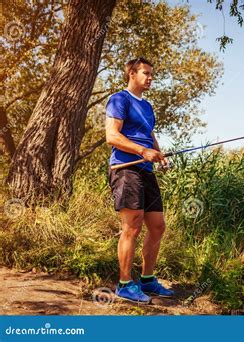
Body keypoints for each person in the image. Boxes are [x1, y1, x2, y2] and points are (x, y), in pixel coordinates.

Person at [105, 57, 174, 303]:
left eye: (152, 74)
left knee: (157, 225)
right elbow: (112, 136)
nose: (150, 77)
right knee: (132, 226)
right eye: (146, 73)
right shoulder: (119, 99)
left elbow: (149, 135)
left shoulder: (147, 106)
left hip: (146, 170)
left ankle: (147, 280)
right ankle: (124, 284)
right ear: (132, 74)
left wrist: (159, 154)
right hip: (125, 168)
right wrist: (142, 151)